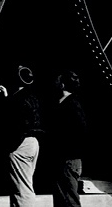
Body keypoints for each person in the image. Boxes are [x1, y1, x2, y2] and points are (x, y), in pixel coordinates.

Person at [0, 65, 44, 207]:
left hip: (21, 144)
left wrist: (12, 146)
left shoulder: (19, 99)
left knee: (22, 189)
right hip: (32, 142)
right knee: (24, 184)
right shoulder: (31, 97)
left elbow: (14, 120)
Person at [49, 70, 88, 207]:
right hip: (66, 158)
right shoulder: (67, 102)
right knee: (63, 199)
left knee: (69, 199)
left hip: (68, 158)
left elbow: (81, 130)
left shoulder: (72, 104)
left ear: (63, 85)